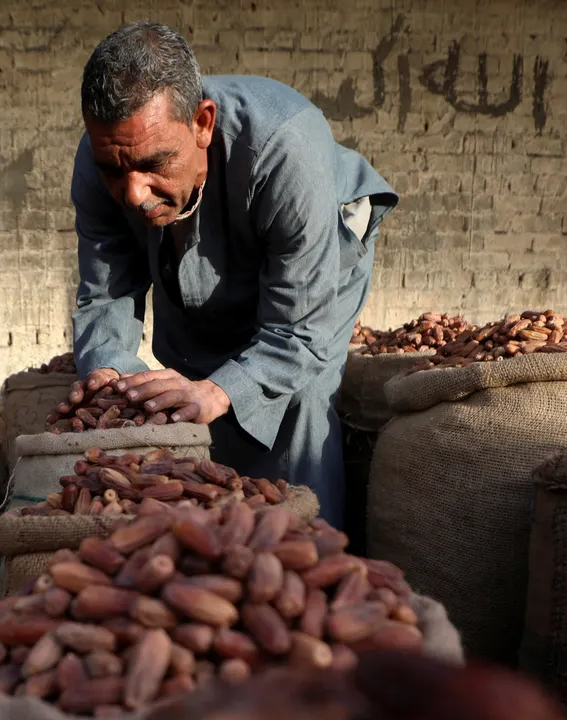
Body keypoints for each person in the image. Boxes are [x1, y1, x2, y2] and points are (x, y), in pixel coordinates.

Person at [69, 20, 399, 527]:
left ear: (203, 123)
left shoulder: (284, 146)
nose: (133, 193)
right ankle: (213, 536)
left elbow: (298, 332)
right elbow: (106, 290)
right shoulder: (102, 160)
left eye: (154, 163)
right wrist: (113, 374)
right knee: (183, 376)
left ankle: (302, 551)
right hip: (196, 254)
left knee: (297, 398)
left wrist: (219, 391)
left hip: (320, 245)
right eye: (115, 170)